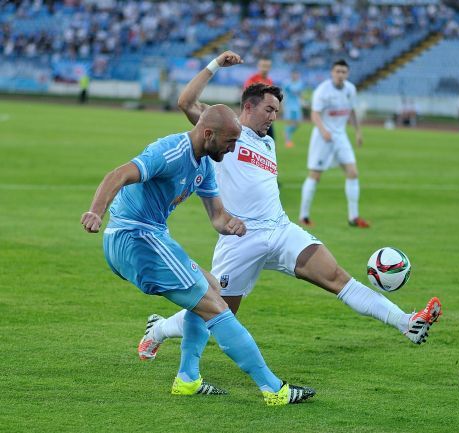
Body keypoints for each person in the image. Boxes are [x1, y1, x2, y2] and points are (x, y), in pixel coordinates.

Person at [137, 52, 442, 367]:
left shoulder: (268, 143)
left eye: (277, 112)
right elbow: (186, 102)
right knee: (216, 312)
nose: (273, 117)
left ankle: (407, 322)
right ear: (248, 107)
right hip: (241, 237)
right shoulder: (229, 135)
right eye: (269, 109)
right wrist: (215, 65)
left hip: (281, 230)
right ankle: (158, 329)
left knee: (337, 276)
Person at [81, 51, 315, 406]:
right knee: (216, 308)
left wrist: (232, 225)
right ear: (208, 133)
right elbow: (118, 174)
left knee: (211, 287)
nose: (234, 147)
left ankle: (188, 378)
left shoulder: (205, 164)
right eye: (230, 142)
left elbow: (218, 217)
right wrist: (96, 212)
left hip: (151, 237)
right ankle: (274, 389)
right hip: (134, 237)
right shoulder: (171, 152)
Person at [299, 59, 369, 228]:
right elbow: (314, 114)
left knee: (353, 173)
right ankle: (304, 216)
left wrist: (358, 132)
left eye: (343, 72)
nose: (340, 74)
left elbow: (351, 111)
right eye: (337, 71)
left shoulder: (350, 89)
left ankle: (353, 217)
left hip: (341, 136)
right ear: (332, 72)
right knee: (315, 175)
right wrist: (324, 131)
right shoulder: (322, 91)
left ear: (348, 74)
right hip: (323, 138)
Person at [243, 58, 275, 139]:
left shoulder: (269, 81)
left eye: (267, 66)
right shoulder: (252, 80)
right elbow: (248, 98)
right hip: (255, 117)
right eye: (263, 66)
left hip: (267, 117)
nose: (265, 69)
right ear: (258, 66)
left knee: (270, 141)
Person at [282, 70, 305, 148]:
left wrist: (303, 102)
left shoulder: (300, 84)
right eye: (294, 74)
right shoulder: (287, 83)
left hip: (297, 106)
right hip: (289, 106)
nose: (295, 76)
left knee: (298, 123)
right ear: (291, 75)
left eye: (297, 74)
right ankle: (288, 141)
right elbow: (283, 94)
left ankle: (287, 131)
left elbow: (301, 94)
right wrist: (282, 105)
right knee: (290, 123)